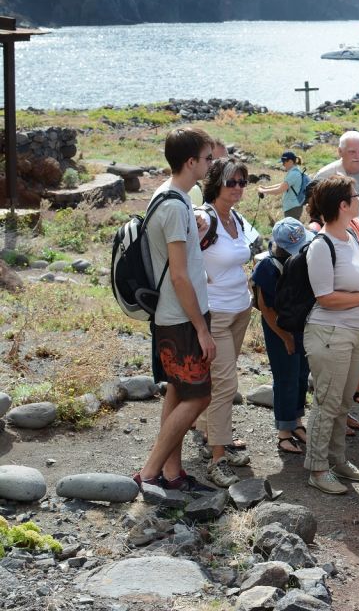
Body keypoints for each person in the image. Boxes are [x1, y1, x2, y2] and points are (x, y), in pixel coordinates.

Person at [134, 127, 216, 492]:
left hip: (177, 314)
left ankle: (171, 472)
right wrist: (201, 328)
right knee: (199, 395)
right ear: (190, 162)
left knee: (178, 391)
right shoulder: (172, 205)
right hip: (181, 317)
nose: (211, 165)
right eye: (207, 158)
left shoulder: (173, 197)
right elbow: (180, 277)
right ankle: (150, 472)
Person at [301, 175, 359, 495]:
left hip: (356, 331)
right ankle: (317, 467)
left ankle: (338, 459)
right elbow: (324, 297)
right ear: (343, 205)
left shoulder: (351, 237)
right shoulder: (322, 245)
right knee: (327, 402)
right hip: (330, 331)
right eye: (355, 196)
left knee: (344, 402)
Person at [194, 157, 254, 486]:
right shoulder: (204, 218)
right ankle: (218, 458)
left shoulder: (238, 219)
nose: (237, 188)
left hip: (240, 310)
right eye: (231, 182)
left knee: (223, 381)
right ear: (216, 182)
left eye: (243, 182)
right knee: (226, 385)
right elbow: (180, 252)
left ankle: (216, 439)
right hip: (215, 313)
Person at [251, 218, 315, 455]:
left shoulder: (297, 260)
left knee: (301, 373)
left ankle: (297, 421)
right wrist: (284, 336)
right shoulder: (267, 267)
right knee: (285, 376)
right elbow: (265, 308)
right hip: (278, 328)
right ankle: (283, 432)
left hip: (299, 324)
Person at [314, 131, 359, 218]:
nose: (357, 156)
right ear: (340, 151)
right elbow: (315, 214)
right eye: (352, 152)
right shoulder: (324, 176)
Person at [258, 150, 308, 220]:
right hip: (293, 207)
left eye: (284, 162)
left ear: (290, 161)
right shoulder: (295, 171)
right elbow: (283, 185)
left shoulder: (294, 174)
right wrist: (266, 188)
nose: (283, 164)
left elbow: (279, 190)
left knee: (290, 230)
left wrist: (262, 190)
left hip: (292, 208)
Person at [188, 138, 227, 207]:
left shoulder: (225, 188)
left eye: (226, 161)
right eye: (216, 161)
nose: (223, 166)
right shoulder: (193, 190)